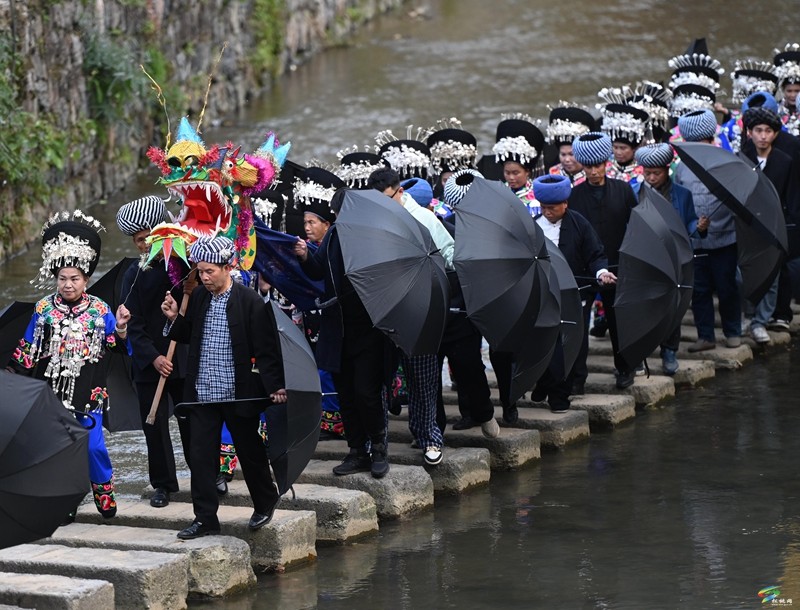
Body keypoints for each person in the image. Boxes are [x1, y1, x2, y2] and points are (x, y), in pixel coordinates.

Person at [8, 210, 131, 520]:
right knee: (59, 450)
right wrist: (10, 377)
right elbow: (27, 350)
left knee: (91, 448)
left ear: (86, 279)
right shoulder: (43, 309)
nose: (67, 284)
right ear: (56, 279)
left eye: (74, 278)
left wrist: (120, 330)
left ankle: (104, 492)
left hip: (90, 390)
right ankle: (65, 503)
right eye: (62, 278)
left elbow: (116, 349)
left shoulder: (100, 310)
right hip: (51, 390)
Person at [161, 235, 287, 539]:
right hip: (203, 392)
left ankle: (265, 501)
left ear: (228, 266)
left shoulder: (249, 301)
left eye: (209, 272)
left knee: (250, 451)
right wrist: (172, 317)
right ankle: (205, 518)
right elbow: (187, 333)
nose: (204, 278)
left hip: (237, 390)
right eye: (200, 272)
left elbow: (267, 349)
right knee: (201, 456)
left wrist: (276, 386)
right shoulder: (201, 297)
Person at [294, 188, 391, 478]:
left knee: (367, 392)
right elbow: (319, 270)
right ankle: (357, 451)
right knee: (347, 393)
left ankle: (379, 447)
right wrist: (304, 256)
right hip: (338, 328)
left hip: (369, 330)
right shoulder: (334, 236)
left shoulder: (374, 237)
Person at [368, 167, 454, 465]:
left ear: (399, 191)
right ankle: (378, 443)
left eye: (389, 198)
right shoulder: (372, 223)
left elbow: (450, 256)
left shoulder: (425, 219)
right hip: (384, 312)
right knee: (380, 378)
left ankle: (429, 436)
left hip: (420, 308)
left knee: (423, 378)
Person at [116, 196, 194, 508]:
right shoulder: (132, 275)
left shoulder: (184, 267)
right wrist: (154, 358)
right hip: (150, 364)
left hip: (183, 356)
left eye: (146, 238)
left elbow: (194, 308)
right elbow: (131, 324)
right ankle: (163, 484)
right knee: (154, 425)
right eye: (137, 241)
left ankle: (206, 474)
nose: (142, 245)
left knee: (193, 420)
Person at [531, 174, 615, 412]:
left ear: (565, 204)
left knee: (569, 345)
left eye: (553, 207)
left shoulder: (579, 224)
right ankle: (545, 381)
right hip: (544, 295)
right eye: (544, 207)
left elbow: (596, 254)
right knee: (544, 344)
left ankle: (560, 397)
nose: (548, 212)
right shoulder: (534, 227)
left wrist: (601, 273)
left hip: (575, 294)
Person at [567, 132, 638, 389]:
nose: (594, 171)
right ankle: (577, 378)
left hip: (618, 266)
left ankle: (625, 369)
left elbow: (636, 227)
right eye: (589, 166)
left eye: (598, 165)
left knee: (619, 322)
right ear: (583, 166)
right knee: (579, 326)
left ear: (606, 163)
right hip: (585, 271)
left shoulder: (623, 190)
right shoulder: (573, 196)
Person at [437, 169, 500, 437]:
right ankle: (431, 429)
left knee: (469, 365)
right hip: (438, 305)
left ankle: (482, 412)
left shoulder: (493, 228)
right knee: (428, 375)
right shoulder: (440, 226)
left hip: (467, 308)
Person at [674, 109, 743, 352]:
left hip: (725, 236)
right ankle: (705, 336)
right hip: (695, 239)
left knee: (727, 286)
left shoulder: (726, 161)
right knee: (700, 289)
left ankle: (733, 330)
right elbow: (680, 200)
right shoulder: (681, 168)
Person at [634, 143, 705, 373]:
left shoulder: (682, 195)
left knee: (673, 306)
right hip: (644, 256)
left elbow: (690, 222)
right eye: (647, 173)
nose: (652, 178)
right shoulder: (634, 192)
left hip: (674, 257)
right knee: (643, 306)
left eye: (657, 173)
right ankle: (640, 353)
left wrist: (700, 226)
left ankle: (669, 351)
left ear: (667, 170)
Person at [294, 167, 347, 439]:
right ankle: (327, 418)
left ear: (327, 224)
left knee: (329, 369)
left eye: (312, 223)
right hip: (314, 317)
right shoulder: (308, 249)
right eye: (305, 223)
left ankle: (336, 420)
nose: (307, 228)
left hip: (335, 315)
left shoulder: (339, 245)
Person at [740, 107, 799, 341]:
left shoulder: (785, 162)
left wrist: (790, 224)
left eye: (768, 131)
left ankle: (761, 321)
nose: (763, 136)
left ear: (775, 134)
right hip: (748, 225)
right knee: (745, 272)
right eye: (758, 130)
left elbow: (792, 195)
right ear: (749, 133)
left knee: (772, 275)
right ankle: (748, 314)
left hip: (776, 225)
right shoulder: (743, 158)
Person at [491, 114, 546, 216]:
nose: (511, 177)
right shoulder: (497, 193)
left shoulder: (539, 196)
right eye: (507, 172)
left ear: (527, 172)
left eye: (516, 173)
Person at [597, 90, 650, 197]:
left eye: (623, 148)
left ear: (634, 148)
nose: (618, 152)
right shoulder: (603, 166)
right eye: (615, 147)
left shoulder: (645, 169)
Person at [546, 104, 595, 186]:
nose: (567, 160)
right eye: (563, 154)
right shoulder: (553, 174)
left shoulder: (594, 175)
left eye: (571, 154)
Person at [774, 43, 800, 136]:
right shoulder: (775, 109)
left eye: (797, 91)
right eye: (789, 91)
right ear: (783, 90)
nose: (793, 95)